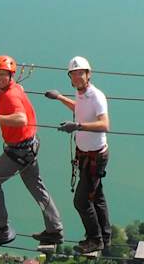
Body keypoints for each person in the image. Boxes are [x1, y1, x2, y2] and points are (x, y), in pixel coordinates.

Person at [0, 55, 64, 244]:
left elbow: (21, 118)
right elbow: (7, 86)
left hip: (18, 151)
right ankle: (55, 229)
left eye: (2, 75)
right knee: (35, 185)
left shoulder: (10, 95)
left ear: (10, 75)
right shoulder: (16, 87)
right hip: (31, 146)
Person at [44, 56, 111, 254]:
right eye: (73, 75)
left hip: (95, 157)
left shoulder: (96, 96)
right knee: (97, 196)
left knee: (81, 201)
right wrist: (60, 98)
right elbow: (79, 109)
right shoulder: (80, 94)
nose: (77, 78)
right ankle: (104, 236)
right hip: (86, 155)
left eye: (80, 73)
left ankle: (95, 239)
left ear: (88, 75)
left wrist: (78, 126)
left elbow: (105, 124)